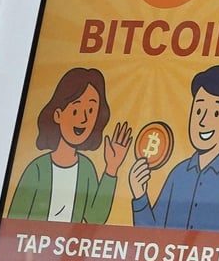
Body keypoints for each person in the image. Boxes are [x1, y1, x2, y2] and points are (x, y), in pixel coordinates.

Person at [130, 64, 219, 232]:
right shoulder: (178, 174)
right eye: (199, 110)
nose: (202, 121)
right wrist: (140, 195)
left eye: (215, 113)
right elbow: (151, 237)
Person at [8, 67, 131, 223]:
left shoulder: (86, 168)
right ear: (58, 114)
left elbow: (95, 218)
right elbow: (15, 219)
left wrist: (112, 168)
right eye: (76, 110)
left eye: (91, 111)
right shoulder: (37, 169)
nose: (84, 119)